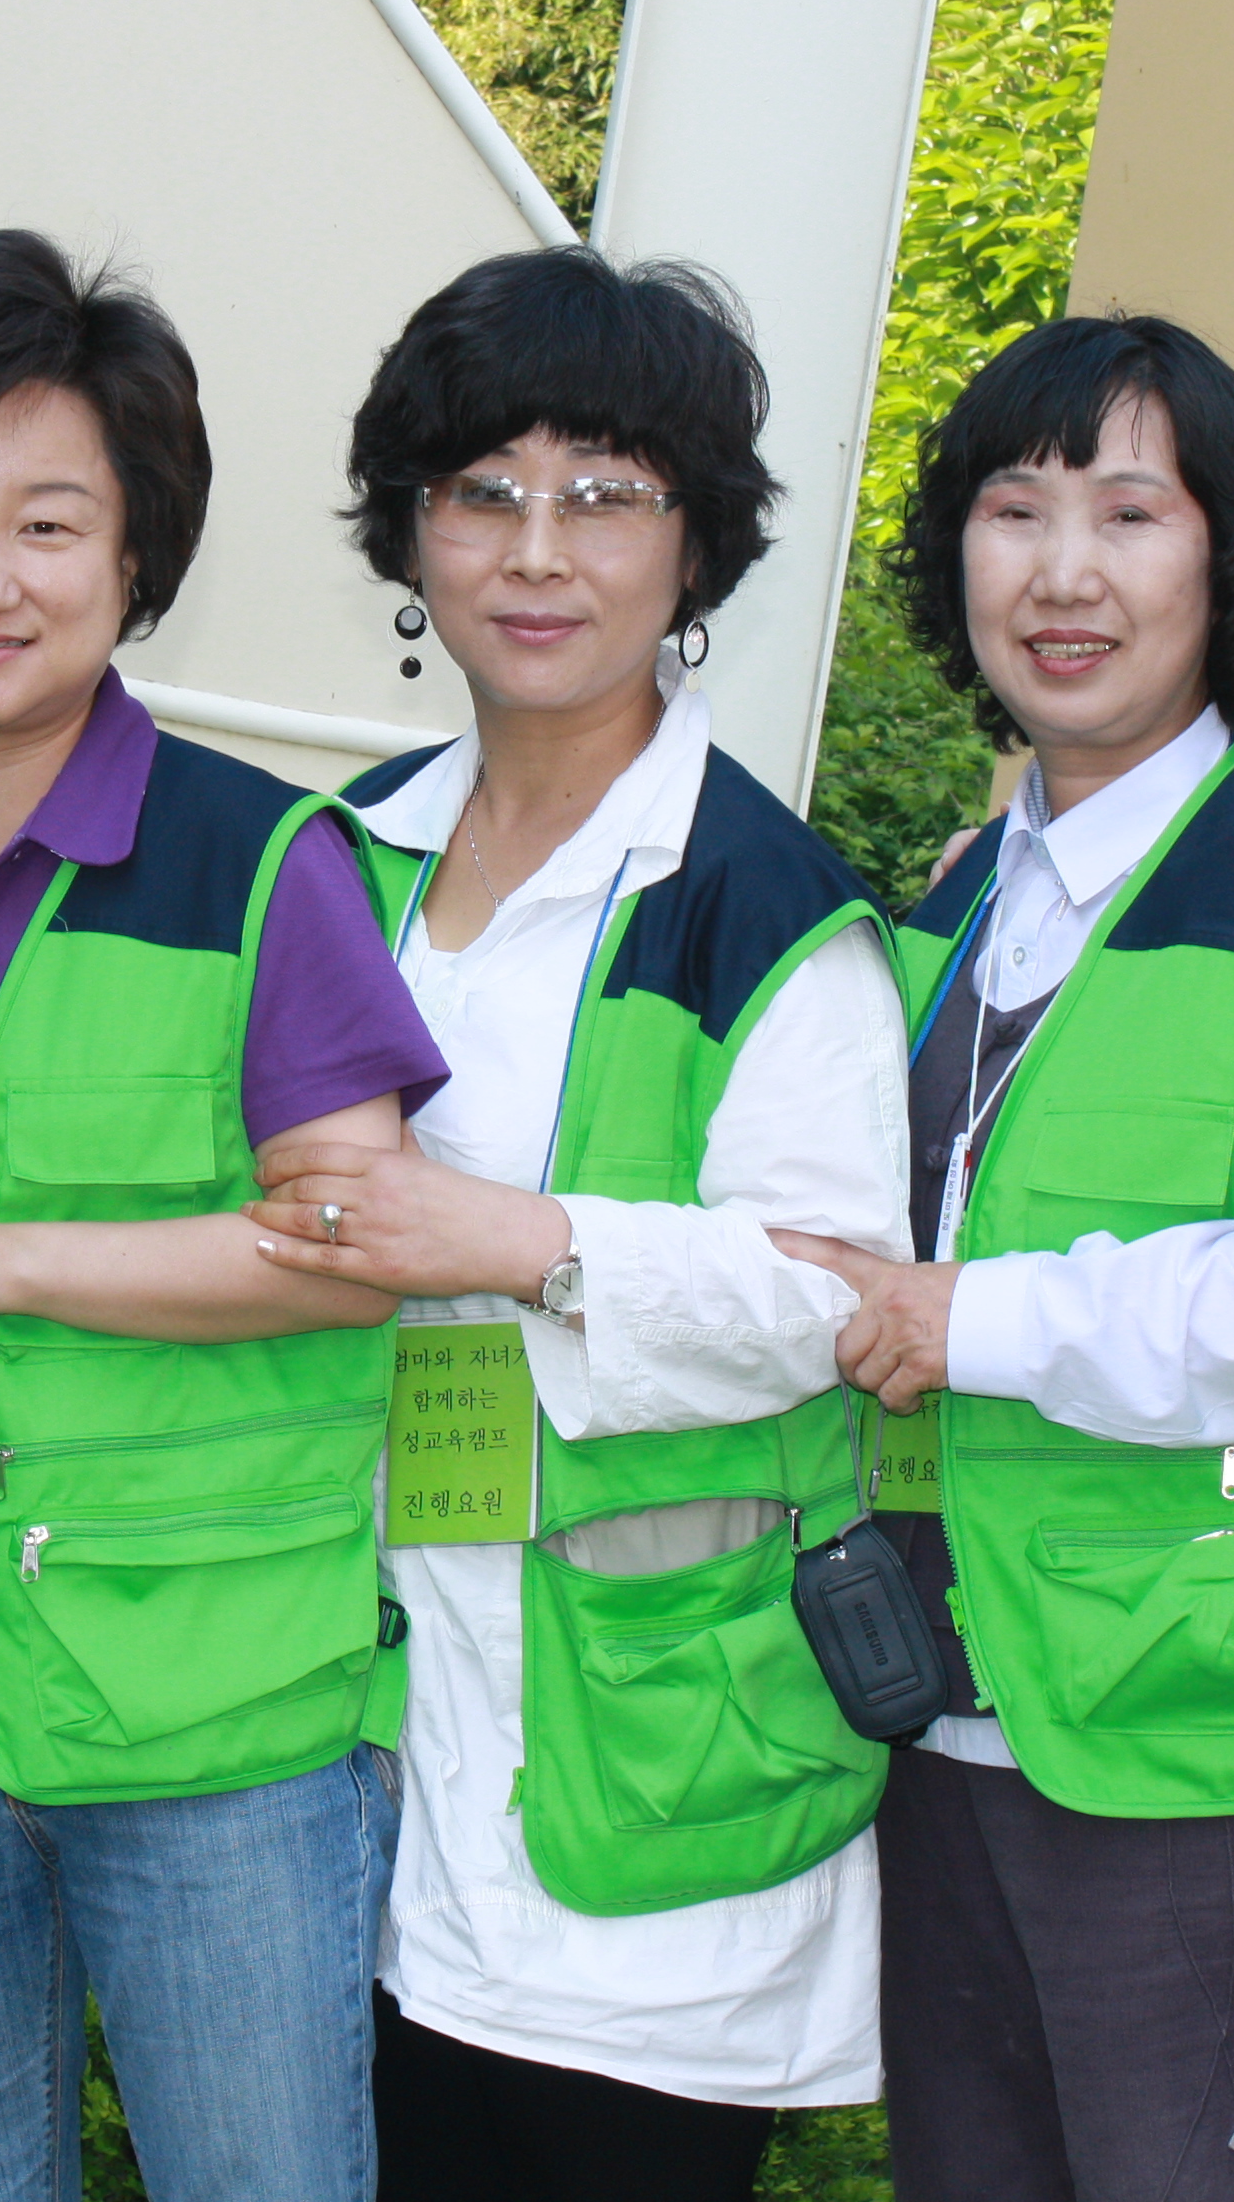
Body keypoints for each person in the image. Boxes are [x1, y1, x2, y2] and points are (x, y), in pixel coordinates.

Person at [0, 228, 450, 2202]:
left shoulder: (262, 861)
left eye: (49, 525)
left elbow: (354, 1238)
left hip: (220, 1719)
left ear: (138, 563)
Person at [784, 313, 1234, 2202]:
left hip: (1229, 1757)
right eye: (1014, 513)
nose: (1064, 573)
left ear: (1224, 563)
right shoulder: (957, 904)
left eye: (1128, 514)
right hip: (952, 1720)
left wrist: (980, 1320)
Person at [236, 246, 905, 2199]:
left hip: (649, 1758)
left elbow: (833, 1298)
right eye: (485, 492)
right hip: (351, 1729)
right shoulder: (331, 856)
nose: (539, 551)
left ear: (694, 546)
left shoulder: (765, 906)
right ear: (411, 531)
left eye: (605, 495)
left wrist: (501, 1237)